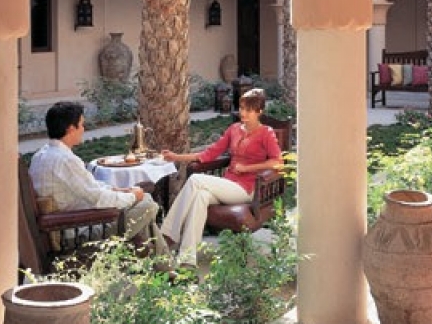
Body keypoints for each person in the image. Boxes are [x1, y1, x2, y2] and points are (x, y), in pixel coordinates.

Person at [160, 88, 283, 269]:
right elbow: (210, 153)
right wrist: (176, 157)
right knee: (200, 196)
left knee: (195, 180)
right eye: (242, 108)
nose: (243, 113)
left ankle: (168, 235)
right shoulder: (234, 129)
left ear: (259, 112)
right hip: (227, 185)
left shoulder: (266, 133)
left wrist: (247, 168)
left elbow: (277, 162)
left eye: (249, 110)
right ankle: (187, 260)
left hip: (246, 188)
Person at [28, 101, 168, 256]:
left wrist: (119, 190)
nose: (83, 129)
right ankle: (164, 263)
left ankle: (164, 265)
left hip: (69, 224)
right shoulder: (65, 160)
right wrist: (133, 196)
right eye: (81, 125)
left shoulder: (41, 155)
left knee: (143, 215)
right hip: (77, 231)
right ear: (70, 128)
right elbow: (98, 198)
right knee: (147, 204)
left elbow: (90, 186)